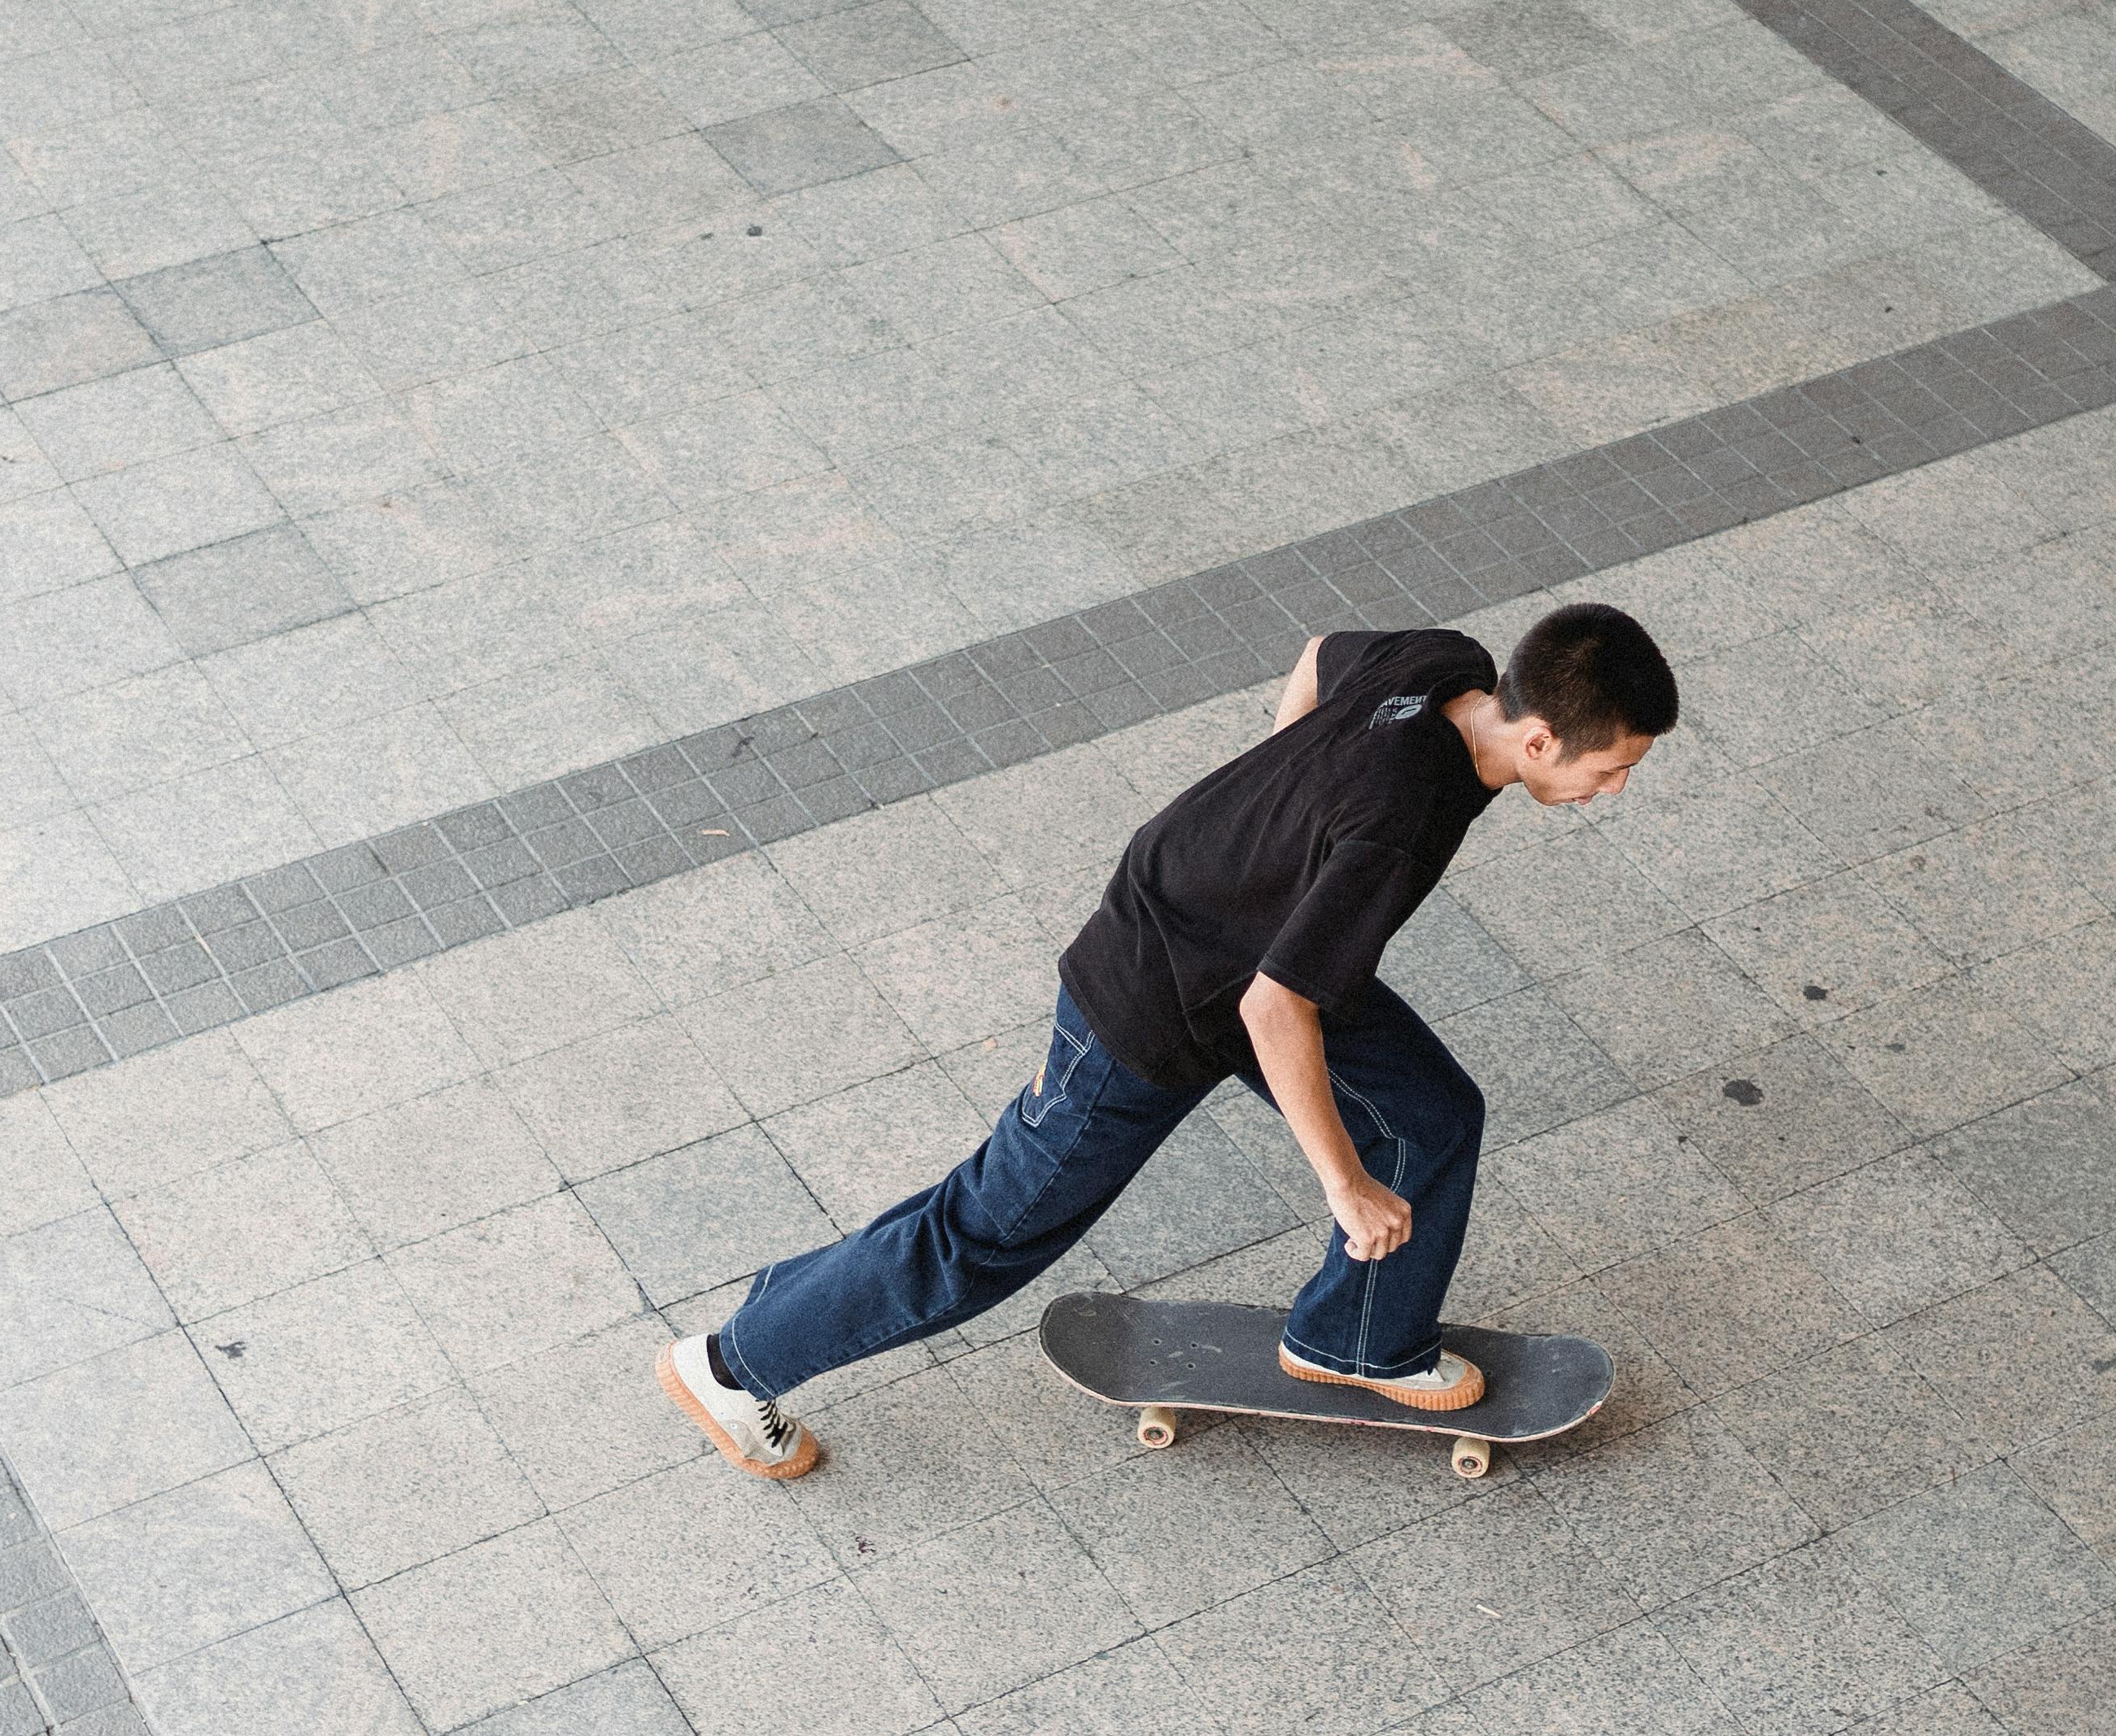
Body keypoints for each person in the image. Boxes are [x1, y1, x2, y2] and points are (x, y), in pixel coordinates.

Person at [661, 602, 1682, 1477]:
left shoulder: (1443, 666)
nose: (1615, 790)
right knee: (986, 1231)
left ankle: (1357, 1339)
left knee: (1428, 1115)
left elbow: (1323, 651)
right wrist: (1342, 1185)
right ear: (1539, 737)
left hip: (1252, 954)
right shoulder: (1395, 824)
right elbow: (1273, 1012)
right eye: (1612, 767)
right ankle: (731, 1361)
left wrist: (1272, 835)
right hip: (1156, 1003)